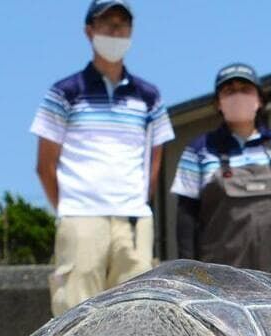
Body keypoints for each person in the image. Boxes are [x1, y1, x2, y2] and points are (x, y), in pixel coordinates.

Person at [31, 0, 174, 316]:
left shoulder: (148, 96)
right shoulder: (65, 92)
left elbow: (155, 157)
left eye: (122, 24)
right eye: (107, 23)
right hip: (81, 215)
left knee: (137, 315)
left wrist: (139, 200)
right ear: (89, 31)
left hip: (134, 218)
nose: (115, 30)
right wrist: (69, 207)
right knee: (76, 315)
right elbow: (44, 165)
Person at [171, 62, 271, 283]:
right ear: (218, 103)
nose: (237, 96)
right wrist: (187, 267)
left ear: (259, 99)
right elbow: (186, 214)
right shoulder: (199, 149)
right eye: (229, 91)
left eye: (245, 90)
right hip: (219, 278)